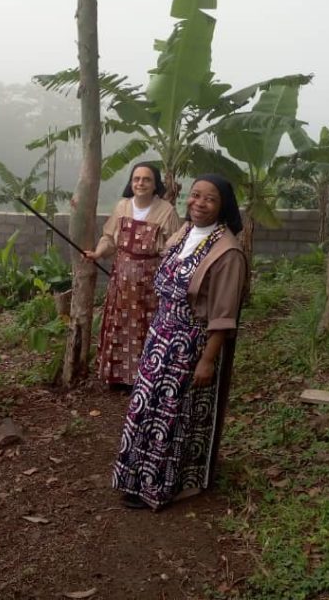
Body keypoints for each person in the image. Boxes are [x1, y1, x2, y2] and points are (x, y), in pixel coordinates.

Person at [112, 173, 247, 510]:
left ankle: (159, 485)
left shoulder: (228, 252)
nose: (199, 203)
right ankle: (134, 476)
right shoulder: (184, 232)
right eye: (195, 195)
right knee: (144, 407)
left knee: (171, 416)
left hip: (189, 343)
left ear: (223, 206)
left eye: (210, 199)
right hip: (160, 335)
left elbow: (223, 315)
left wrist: (207, 360)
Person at [83, 162, 181, 388]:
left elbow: (174, 248)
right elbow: (109, 237)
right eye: (136, 179)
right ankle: (116, 376)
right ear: (131, 182)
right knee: (120, 324)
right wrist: (98, 253)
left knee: (146, 327)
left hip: (150, 286)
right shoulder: (122, 207)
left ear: (155, 184)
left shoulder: (167, 211)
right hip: (121, 284)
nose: (140, 183)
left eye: (146, 179)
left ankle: (144, 378)